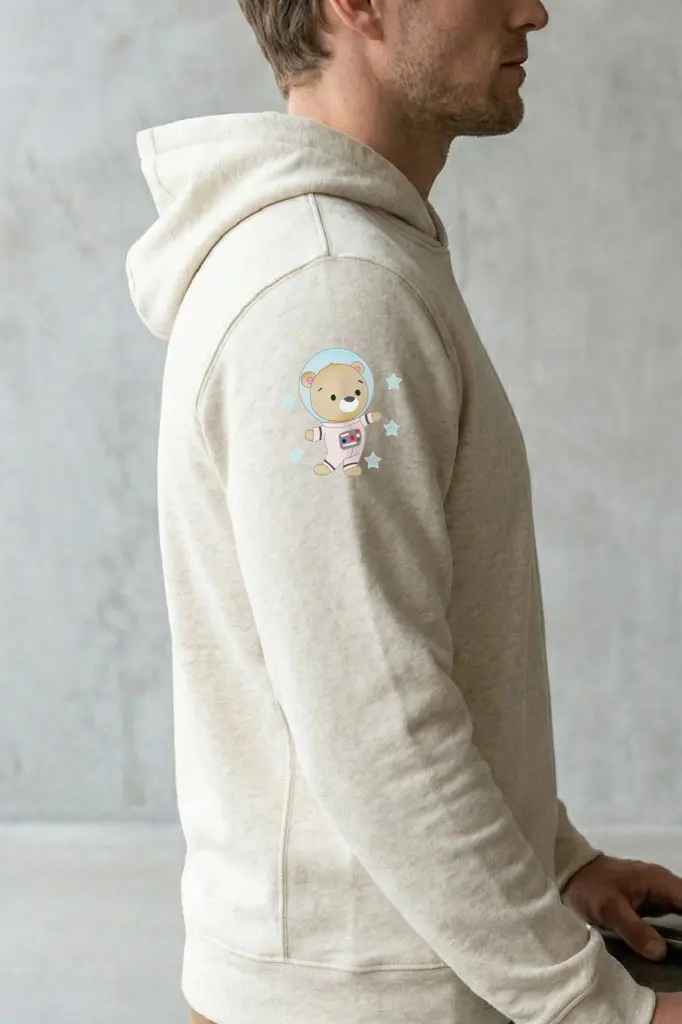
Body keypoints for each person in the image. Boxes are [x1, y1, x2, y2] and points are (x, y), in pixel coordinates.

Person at [125, 0, 682, 1022]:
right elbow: (376, 723)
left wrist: (554, 860)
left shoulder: (355, 260)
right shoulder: (329, 295)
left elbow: (397, 657)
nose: (533, 11)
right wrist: (600, 1008)